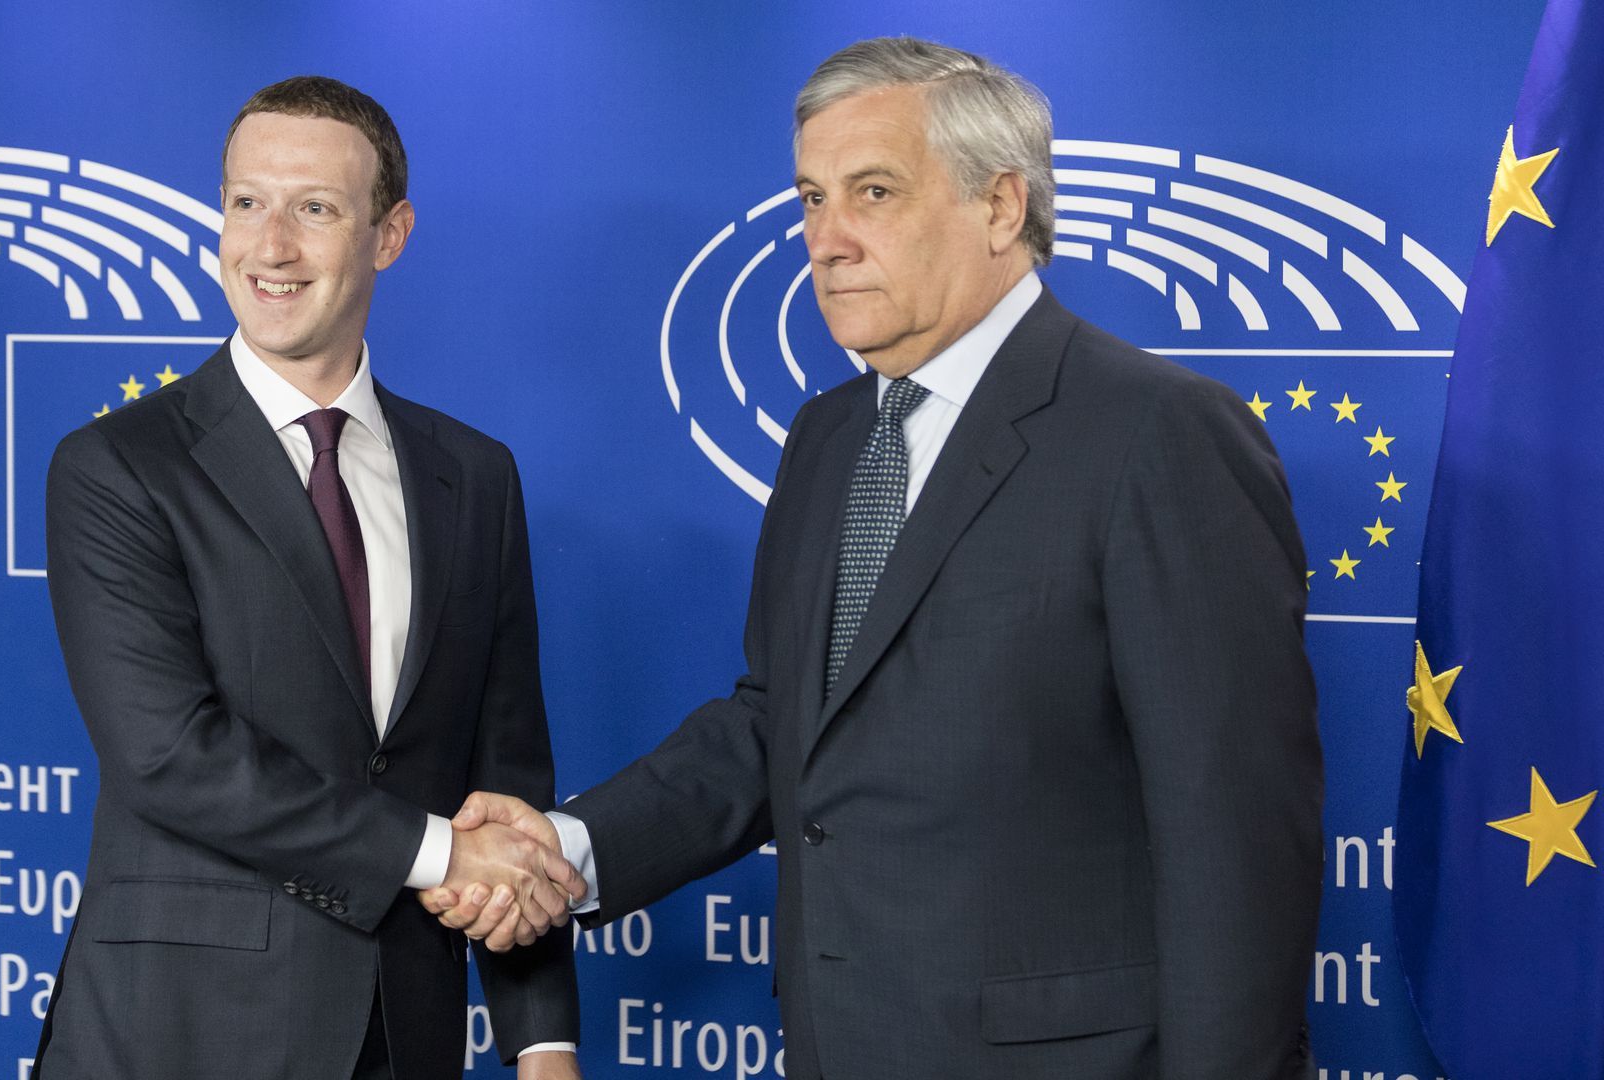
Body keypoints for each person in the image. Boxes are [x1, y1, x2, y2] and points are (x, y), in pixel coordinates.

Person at [429, 38, 1323, 1080]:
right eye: (812, 198)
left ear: (1000, 208)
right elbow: (778, 729)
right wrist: (568, 851)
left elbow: (1235, 840)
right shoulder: (828, 436)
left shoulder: (1158, 432)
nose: (826, 239)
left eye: (874, 192)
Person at [35, 76, 582, 1079]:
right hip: (180, 1034)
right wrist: (440, 855)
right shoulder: (118, 466)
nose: (270, 246)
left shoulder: (475, 476)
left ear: (390, 234)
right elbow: (170, 756)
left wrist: (541, 1040)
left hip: (404, 1030)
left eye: (315, 209)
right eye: (247, 203)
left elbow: (506, 782)